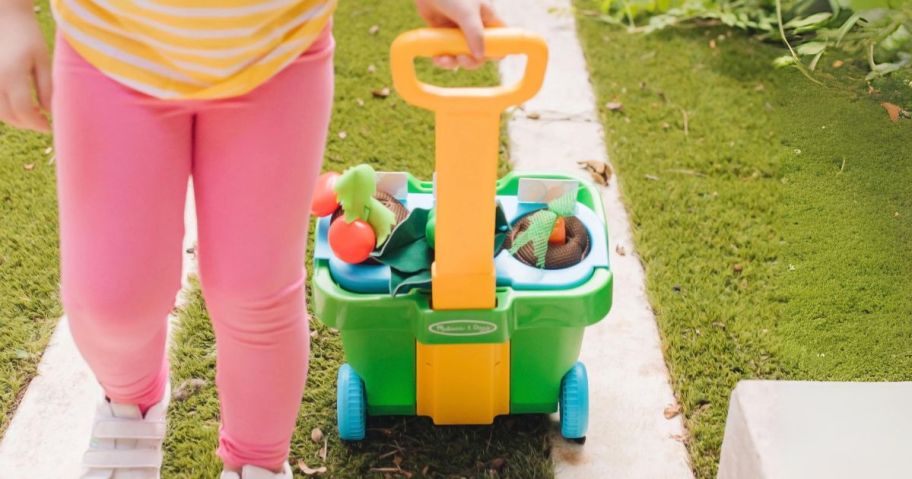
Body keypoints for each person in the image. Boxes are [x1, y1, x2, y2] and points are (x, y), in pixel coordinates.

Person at [0, 0, 503, 477]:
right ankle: (129, 408)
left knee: (255, 293)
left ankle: (257, 461)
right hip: (112, 53)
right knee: (112, 300)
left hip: (275, 56)